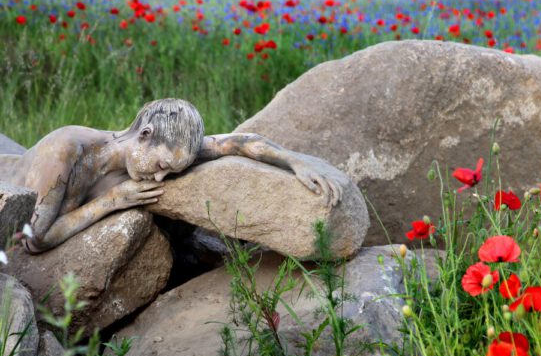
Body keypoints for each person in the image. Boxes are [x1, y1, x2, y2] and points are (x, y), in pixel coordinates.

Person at [20, 98, 342, 253]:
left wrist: (295, 162)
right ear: (144, 135)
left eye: (169, 172)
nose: (159, 179)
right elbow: (32, 240)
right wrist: (112, 200)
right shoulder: (65, 152)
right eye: (160, 166)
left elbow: (237, 144)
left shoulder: (160, 152)